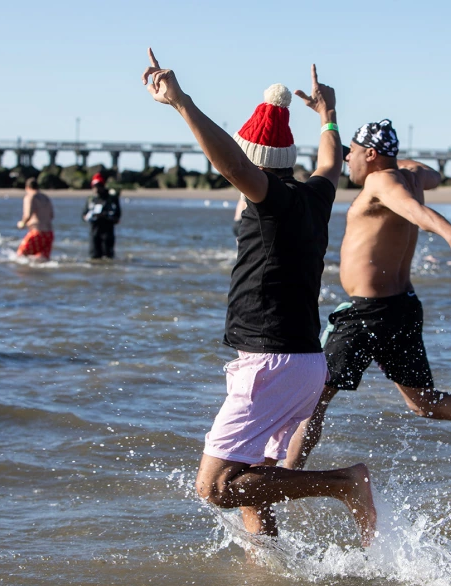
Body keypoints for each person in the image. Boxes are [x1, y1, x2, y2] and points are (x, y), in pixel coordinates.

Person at [142, 49, 376, 546]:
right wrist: (328, 116)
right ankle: (268, 569)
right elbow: (331, 161)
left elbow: (229, 161)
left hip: (274, 362)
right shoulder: (315, 193)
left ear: (257, 165)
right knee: (253, 484)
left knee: (216, 487)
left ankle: (344, 483)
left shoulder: (271, 198)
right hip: (299, 361)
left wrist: (182, 103)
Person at [281, 119, 451, 473]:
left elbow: (417, 212)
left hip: (366, 314)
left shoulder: (380, 180)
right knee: (424, 402)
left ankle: (283, 483)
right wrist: (404, 166)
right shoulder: (410, 175)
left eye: (352, 152)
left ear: (371, 154)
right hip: (401, 307)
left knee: (312, 400)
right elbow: (433, 176)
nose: (347, 159)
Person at [82, 173, 122, 259]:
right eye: (94, 186)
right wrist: (89, 217)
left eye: (99, 186)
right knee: (94, 256)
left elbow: (117, 216)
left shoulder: (112, 199)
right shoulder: (91, 199)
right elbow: (84, 214)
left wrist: (105, 216)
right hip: (94, 231)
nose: (96, 188)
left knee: (108, 256)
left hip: (107, 232)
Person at [16, 178, 55, 260]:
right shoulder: (45, 197)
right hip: (49, 234)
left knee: (20, 255)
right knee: (42, 259)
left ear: (27, 188)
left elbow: (28, 214)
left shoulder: (30, 197)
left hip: (37, 232)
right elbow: (51, 215)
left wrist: (22, 223)